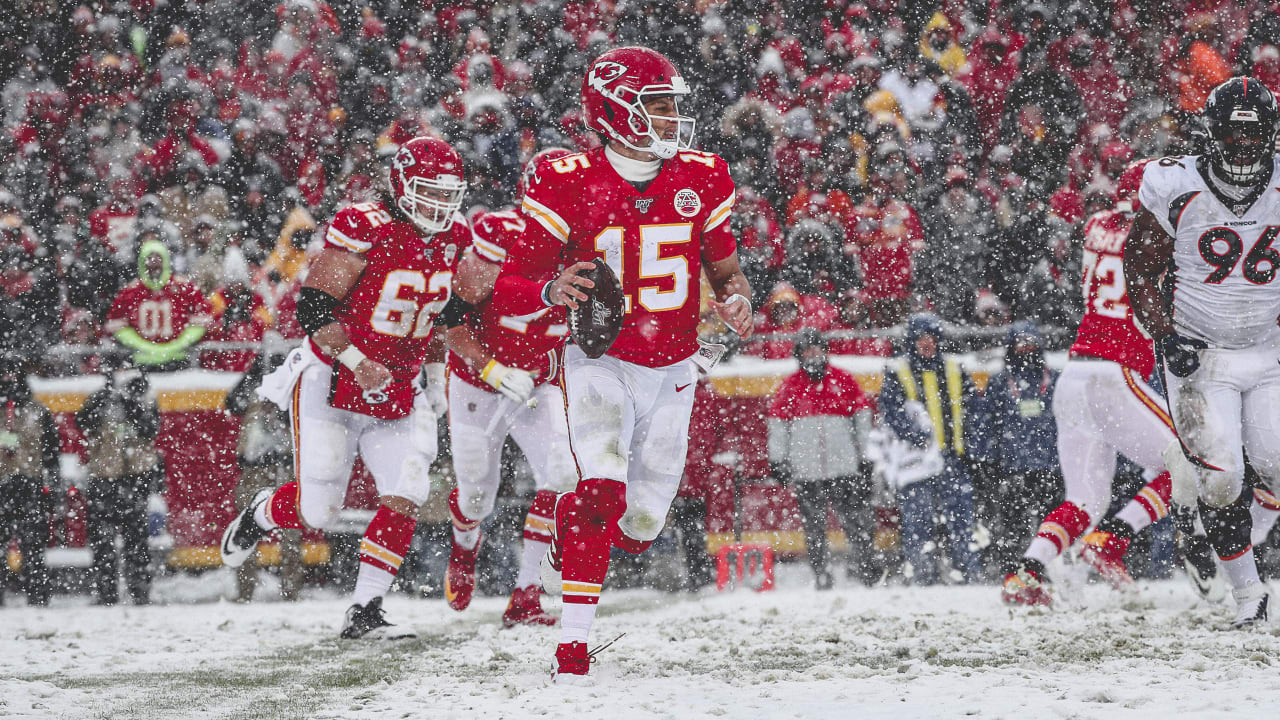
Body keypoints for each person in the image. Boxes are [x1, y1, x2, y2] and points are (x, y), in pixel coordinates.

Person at [489, 46, 753, 681]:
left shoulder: (701, 177)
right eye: (657, 107)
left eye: (672, 108)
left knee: (641, 525)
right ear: (615, 110)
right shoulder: (569, 180)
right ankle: (573, 647)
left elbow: (727, 270)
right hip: (598, 359)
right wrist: (552, 290)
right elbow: (512, 286)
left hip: (676, 366)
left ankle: (578, 532)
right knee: (599, 489)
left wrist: (737, 298)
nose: (671, 121)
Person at [219, 136, 472, 639]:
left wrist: (439, 381)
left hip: (398, 388)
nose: (440, 206)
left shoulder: (455, 237)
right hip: (331, 378)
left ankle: (365, 610)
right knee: (320, 510)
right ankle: (262, 512)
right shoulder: (365, 225)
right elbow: (314, 308)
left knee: (407, 490)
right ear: (402, 186)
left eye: (448, 194)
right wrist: (359, 361)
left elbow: (442, 318)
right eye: (429, 192)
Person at [1003, 161, 1209, 607]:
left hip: (1074, 373)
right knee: (1185, 462)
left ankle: (1026, 573)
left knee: (1083, 500)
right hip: (1115, 374)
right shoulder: (1162, 236)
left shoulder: (1096, 225)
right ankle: (1112, 540)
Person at [1124, 77, 1280, 628]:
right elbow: (1140, 266)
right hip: (1202, 352)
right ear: (1211, 135)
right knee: (1223, 479)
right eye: (1233, 137)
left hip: (1269, 350)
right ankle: (1247, 596)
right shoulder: (1176, 182)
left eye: (1253, 136)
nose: (1243, 148)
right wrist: (1163, 333)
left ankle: (1218, 528)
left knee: (1278, 468)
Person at [441, 147, 579, 627]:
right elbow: (451, 322)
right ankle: (464, 547)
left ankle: (527, 595)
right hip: (479, 380)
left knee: (562, 476)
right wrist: (493, 369)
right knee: (477, 493)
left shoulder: (594, 241)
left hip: (540, 382)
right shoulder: (500, 235)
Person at [767, 328, 878, 588]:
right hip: (807, 471)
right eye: (808, 350)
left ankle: (864, 570)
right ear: (800, 355)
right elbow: (778, 427)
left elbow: (862, 421)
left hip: (844, 467)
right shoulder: (789, 387)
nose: (813, 354)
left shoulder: (844, 380)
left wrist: (864, 456)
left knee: (856, 524)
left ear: (825, 352)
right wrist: (778, 460)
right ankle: (821, 574)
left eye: (818, 349)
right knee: (814, 529)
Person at [877, 314, 981, 585]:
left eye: (932, 338)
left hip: (953, 459)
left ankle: (967, 573)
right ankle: (923, 576)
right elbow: (891, 411)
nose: (927, 343)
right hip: (917, 460)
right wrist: (917, 437)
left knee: (962, 522)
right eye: (921, 338)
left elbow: (975, 412)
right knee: (917, 522)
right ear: (912, 341)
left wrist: (971, 447)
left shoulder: (955, 369)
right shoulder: (899, 371)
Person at [978, 321, 1061, 574]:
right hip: (1012, 466)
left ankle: (1051, 571)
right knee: (1013, 525)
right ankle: (1013, 571)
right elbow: (987, 423)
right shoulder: (1000, 381)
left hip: (1050, 464)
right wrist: (988, 459)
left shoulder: (1055, 379)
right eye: (1020, 343)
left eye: (1030, 342)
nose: (1026, 348)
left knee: (1050, 525)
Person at [224, 335, 301, 602]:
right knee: (248, 527)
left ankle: (290, 590)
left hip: (284, 464)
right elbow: (231, 403)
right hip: (258, 466)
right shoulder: (254, 382)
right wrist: (256, 372)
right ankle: (248, 591)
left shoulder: (291, 382)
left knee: (289, 531)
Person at [77, 360, 160, 605]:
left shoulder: (147, 397)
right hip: (104, 477)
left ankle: (140, 592)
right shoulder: (101, 398)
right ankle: (106, 593)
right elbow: (82, 423)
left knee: (137, 541)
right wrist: (103, 399)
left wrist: (130, 403)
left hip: (136, 477)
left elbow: (150, 430)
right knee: (102, 541)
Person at [0, 354, 58, 606]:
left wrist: (52, 483)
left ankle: (38, 595)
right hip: (3, 480)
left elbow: (51, 452)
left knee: (33, 543)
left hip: (30, 481)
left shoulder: (38, 411)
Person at [104, 240, 211, 370]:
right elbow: (116, 325)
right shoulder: (130, 292)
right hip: (142, 361)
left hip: (178, 359)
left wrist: (178, 344)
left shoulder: (184, 287)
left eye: (158, 258)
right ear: (142, 261)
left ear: (165, 260)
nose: (154, 263)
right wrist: (143, 346)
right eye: (150, 258)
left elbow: (202, 320)